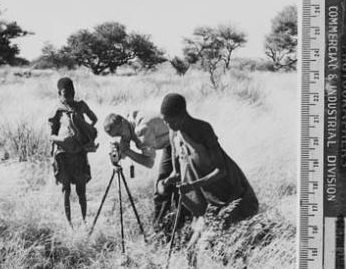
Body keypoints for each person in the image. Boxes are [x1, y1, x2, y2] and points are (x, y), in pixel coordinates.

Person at [158, 93, 259, 230]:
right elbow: (177, 172)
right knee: (202, 236)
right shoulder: (173, 133)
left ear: (183, 114)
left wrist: (192, 185)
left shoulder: (203, 130)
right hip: (203, 198)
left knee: (231, 231)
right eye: (165, 122)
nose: (169, 125)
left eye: (172, 121)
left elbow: (221, 170)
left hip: (227, 191)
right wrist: (166, 181)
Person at [102, 110, 179, 230]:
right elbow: (120, 140)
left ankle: (168, 229)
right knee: (163, 189)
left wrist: (127, 151)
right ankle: (163, 229)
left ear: (123, 122)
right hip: (169, 142)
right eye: (116, 136)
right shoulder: (127, 121)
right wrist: (114, 158)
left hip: (180, 141)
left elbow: (149, 162)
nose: (120, 138)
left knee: (167, 187)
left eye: (119, 134)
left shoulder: (142, 129)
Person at [48, 77, 98, 225]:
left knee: (81, 190)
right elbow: (50, 135)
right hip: (63, 156)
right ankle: (69, 224)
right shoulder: (57, 110)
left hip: (79, 154)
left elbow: (94, 119)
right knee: (66, 190)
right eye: (65, 93)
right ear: (59, 93)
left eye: (71, 92)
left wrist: (86, 131)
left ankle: (84, 221)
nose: (69, 95)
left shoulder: (81, 106)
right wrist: (61, 141)